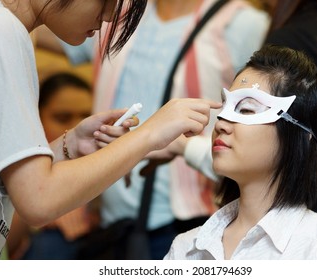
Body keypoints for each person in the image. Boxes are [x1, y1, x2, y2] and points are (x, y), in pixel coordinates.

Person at [0, 0, 221, 259]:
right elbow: (38, 199)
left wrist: (70, 144)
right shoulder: (1, 30)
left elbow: (4, 178)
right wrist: (149, 135)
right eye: (109, 1)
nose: (109, 17)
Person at [161, 0, 317, 247]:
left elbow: (261, 149)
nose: (223, 123)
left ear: (305, 134)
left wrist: (183, 147)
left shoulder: (295, 44)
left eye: (247, 109)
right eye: (226, 105)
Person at [88, 0, 269, 259]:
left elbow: (266, 128)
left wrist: (185, 147)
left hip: (191, 214)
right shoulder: (115, 11)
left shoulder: (242, 22)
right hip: (110, 214)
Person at [7, 72, 100, 259]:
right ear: (36, 118)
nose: (76, 127)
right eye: (62, 118)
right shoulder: (12, 161)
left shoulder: (103, 156)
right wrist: (37, 218)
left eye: (86, 117)